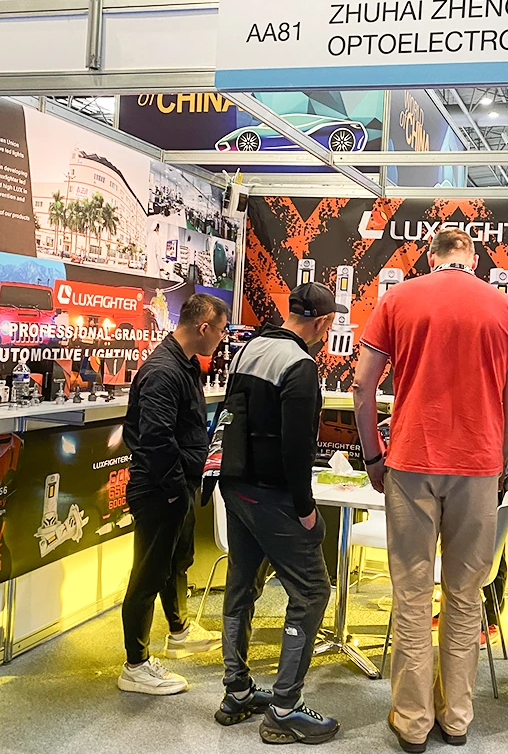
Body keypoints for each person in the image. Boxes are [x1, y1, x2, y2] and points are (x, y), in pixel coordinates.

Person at [353, 228, 508, 753]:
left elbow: (362, 387)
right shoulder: (505, 308)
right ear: (473, 259)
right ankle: (456, 718)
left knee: (411, 593)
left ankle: (412, 722)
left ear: (430, 258)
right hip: (477, 465)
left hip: (411, 460)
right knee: (465, 595)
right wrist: (498, 458)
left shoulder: (397, 300)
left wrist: (373, 455)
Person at [212, 282, 343, 744]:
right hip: (274, 496)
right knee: (312, 591)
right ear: (324, 323)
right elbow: (297, 447)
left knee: (241, 585)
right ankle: (285, 708)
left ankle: (237, 692)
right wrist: (306, 509)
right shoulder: (300, 365)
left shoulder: (248, 349)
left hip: (236, 486)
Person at [118, 293, 229, 696]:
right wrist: (172, 491)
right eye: (220, 331)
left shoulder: (185, 363)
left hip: (177, 484)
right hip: (159, 488)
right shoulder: (164, 371)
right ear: (204, 327)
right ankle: (135, 665)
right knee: (147, 575)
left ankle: (179, 629)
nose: (222, 339)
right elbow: (155, 439)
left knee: (174, 560)